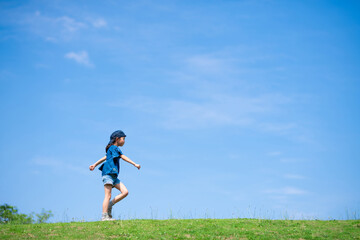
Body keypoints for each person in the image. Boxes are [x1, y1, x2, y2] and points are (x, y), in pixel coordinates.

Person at [89, 130, 141, 221]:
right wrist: (134, 164)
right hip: (108, 174)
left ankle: (110, 205)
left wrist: (95, 164)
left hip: (114, 176)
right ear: (117, 139)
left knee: (125, 192)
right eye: (123, 139)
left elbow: (105, 157)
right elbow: (123, 157)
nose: (124, 141)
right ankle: (104, 216)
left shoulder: (112, 150)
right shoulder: (114, 148)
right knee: (107, 195)